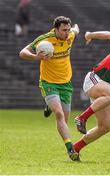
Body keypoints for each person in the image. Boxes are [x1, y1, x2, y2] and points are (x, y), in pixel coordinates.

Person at [19, 16, 80, 161]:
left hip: (66, 83)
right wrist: (36, 57)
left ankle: (48, 105)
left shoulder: (70, 35)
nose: (67, 33)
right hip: (49, 82)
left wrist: (76, 28)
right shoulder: (44, 39)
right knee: (59, 114)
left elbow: (76, 30)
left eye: (68, 30)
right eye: (64, 30)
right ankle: (71, 149)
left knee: (64, 120)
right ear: (56, 29)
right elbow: (22, 53)